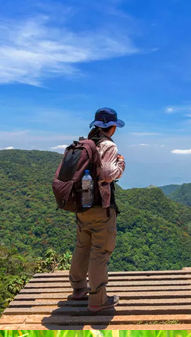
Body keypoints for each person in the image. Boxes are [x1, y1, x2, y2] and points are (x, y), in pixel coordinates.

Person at [70, 107, 125, 314]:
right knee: (100, 252)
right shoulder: (108, 145)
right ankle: (98, 300)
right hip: (101, 208)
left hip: (81, 205)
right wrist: (121, 163)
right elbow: (109, 174)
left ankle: (77, 289)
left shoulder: (86, 143)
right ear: (111, 127)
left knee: (82, 246)